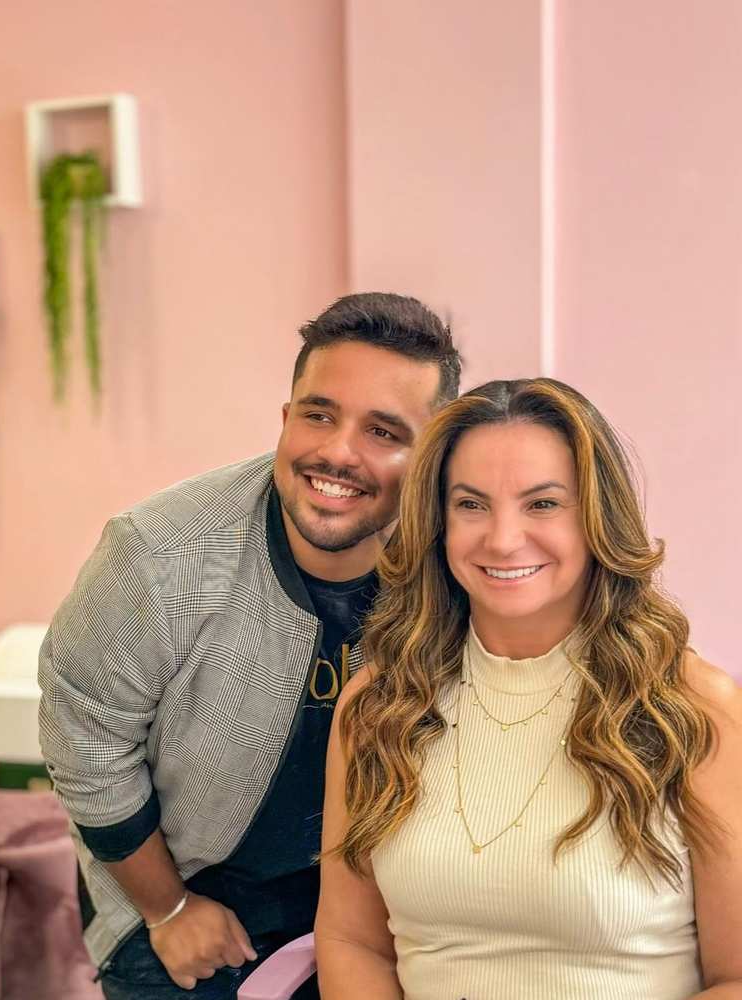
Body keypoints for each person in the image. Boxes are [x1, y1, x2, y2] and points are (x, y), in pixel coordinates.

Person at [37, 292, 461, 1000]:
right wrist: (168, 909)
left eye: (383, 431)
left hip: (380, 914)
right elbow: (86, 743)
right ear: (286, 418)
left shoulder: (457, 560)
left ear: (431, 455)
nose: (338, 452)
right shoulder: (161, 555)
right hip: (185, 903)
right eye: (319, 415)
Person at [316, 378, 742, 1000]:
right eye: (471, 504)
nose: (503, 539)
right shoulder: (380, 705)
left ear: (596, 517)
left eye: (542, 504)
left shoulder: (695, 708)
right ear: (438, 522)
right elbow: (352, 941)